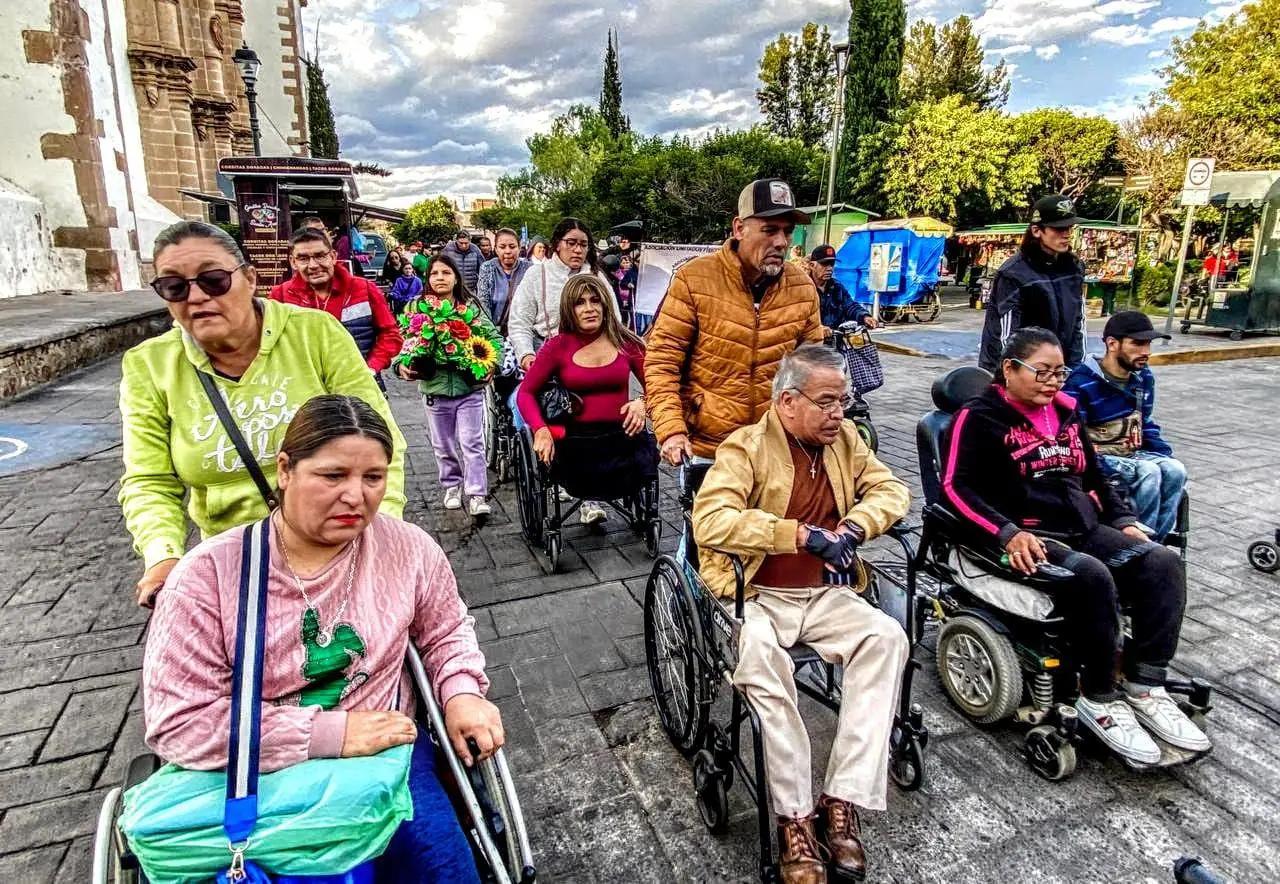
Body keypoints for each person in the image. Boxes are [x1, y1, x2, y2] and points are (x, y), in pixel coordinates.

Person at [143, 395, 502, 884]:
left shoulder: (408, 549)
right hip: (253, 778)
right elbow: (179, 721)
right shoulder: (209, 576)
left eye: (372, 478)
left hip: (386, 762)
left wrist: (461, 693)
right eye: (334, 476)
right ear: (285, 469)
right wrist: (328, 734)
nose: (356, 496)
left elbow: (445, 630)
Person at [941, 327, 1209, 765]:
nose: (1052, 382)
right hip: (1025, 533)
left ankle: (1145, 683)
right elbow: (956, 488)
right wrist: (1007, 532)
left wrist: (1124, 521)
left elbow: (1094, 476)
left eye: (1060, 373)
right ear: (1009, 369)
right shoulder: (978, 417)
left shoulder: (1065, 410)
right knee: (1090, 575)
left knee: (1162, 562)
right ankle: (1099, 695)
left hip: (1079, 524)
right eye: (1041, 372)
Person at [691, 345, 910, 884]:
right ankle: (794, 818)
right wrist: (798, 535)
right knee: (762, 659)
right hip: (758, 594)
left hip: (825, 594)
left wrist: (856, 527)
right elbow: (712, 520)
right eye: (828, 402)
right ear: (788, 401)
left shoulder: (845, 442)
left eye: (844, 400)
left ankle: (841, 799)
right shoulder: (745, 448)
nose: (840, 413)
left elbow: (891, 489)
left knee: (887, 637)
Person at [119, 221, 406, 607]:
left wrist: (383, 532)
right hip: (235, 565)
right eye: (175, 287)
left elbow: (382, 442)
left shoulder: (314, 333)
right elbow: (148, 480)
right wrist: (163, 555)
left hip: (338, 546)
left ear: (250, 278)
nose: (197, 296)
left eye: (214, 280)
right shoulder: (151, 365)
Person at [646, 178, 824, 468]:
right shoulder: (693, 279)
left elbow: (811, 369)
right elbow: (662, 361)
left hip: (778, 446)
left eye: (787, 232)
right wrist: (672, 430)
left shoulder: (802, 288)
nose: (781, 242)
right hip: (709, 450)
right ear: (739, 228)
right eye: (770, 230)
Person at [517, 275, 653, 524]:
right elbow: (525, 393)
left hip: (622, 440)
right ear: (570, 309)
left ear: (605, 305)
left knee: (645, 449)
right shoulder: (557, 347)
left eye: (595, 301)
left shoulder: (627, 343)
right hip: (574, 446)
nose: (589, 309)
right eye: (580, 303)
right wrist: (540, 430)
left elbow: (657, 386)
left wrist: (643, 402)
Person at [1063, 311, 1186, 541]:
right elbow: (1072, 440)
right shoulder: (1081, 383)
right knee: (1149, 473)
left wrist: (1164, 455)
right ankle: (1138, 545)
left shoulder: (1143, 378)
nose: (1146, 352)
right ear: (1112, 343)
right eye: (1138, 344)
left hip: (1131, 452)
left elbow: (1144, 422)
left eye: (1148, 344)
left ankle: (1158, 543)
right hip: (1097, 460)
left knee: (1175, 470)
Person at [397, 254, 498, 519]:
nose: (440, 278)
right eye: (434, 274)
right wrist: (401, 365)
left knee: (472, 442)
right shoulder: (416, 309)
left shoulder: (470, 307)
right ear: (427, 278)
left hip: (470, 389)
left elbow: (493, 337)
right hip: (435, 391)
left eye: (446, 273)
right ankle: (452, 486)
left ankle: (477, 494)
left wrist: (490, 364)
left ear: (456, 278)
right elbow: (402, 343)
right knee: (443, 445)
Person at [270, 229, 404, 381]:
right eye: (303, 258)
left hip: (362, 385)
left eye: (320, 256)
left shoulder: (364, 289)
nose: (313, 265)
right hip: (306, 392)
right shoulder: (280, 296)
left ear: (333, 256)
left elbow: (390, 334)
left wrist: (371, 368)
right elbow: (269, 345)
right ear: (293, 262)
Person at [978, 194, 1086, 372]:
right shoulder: (1013, 273)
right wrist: (1018, 375)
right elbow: (1006, 336)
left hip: (1060, 370)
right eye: (1058, 229)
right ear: (1037, 231)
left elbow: (1078, 324)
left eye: (1069, 228)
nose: (1066, 234)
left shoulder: (1074, 268)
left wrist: (1074, 371)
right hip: (1019, 373)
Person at [807, 244, 879, 333]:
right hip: (810, 342)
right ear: (812, 265)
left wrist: (864, 317)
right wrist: (816, 329)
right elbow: (797, 318)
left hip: (836, 339)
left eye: (832, 264)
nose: (829, 268)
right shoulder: (803, 289)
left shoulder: (837, 287)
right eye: (824, 264)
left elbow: (850, 306)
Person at [475, 227, 531, 333]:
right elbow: (483, 303)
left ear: (519, 248)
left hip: (524, 332)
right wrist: (491, 332)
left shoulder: (529, 269)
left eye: (512, 246)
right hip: (495, 331)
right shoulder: (487, 268)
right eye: (502, 247)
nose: (508, 251)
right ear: (496, 249)